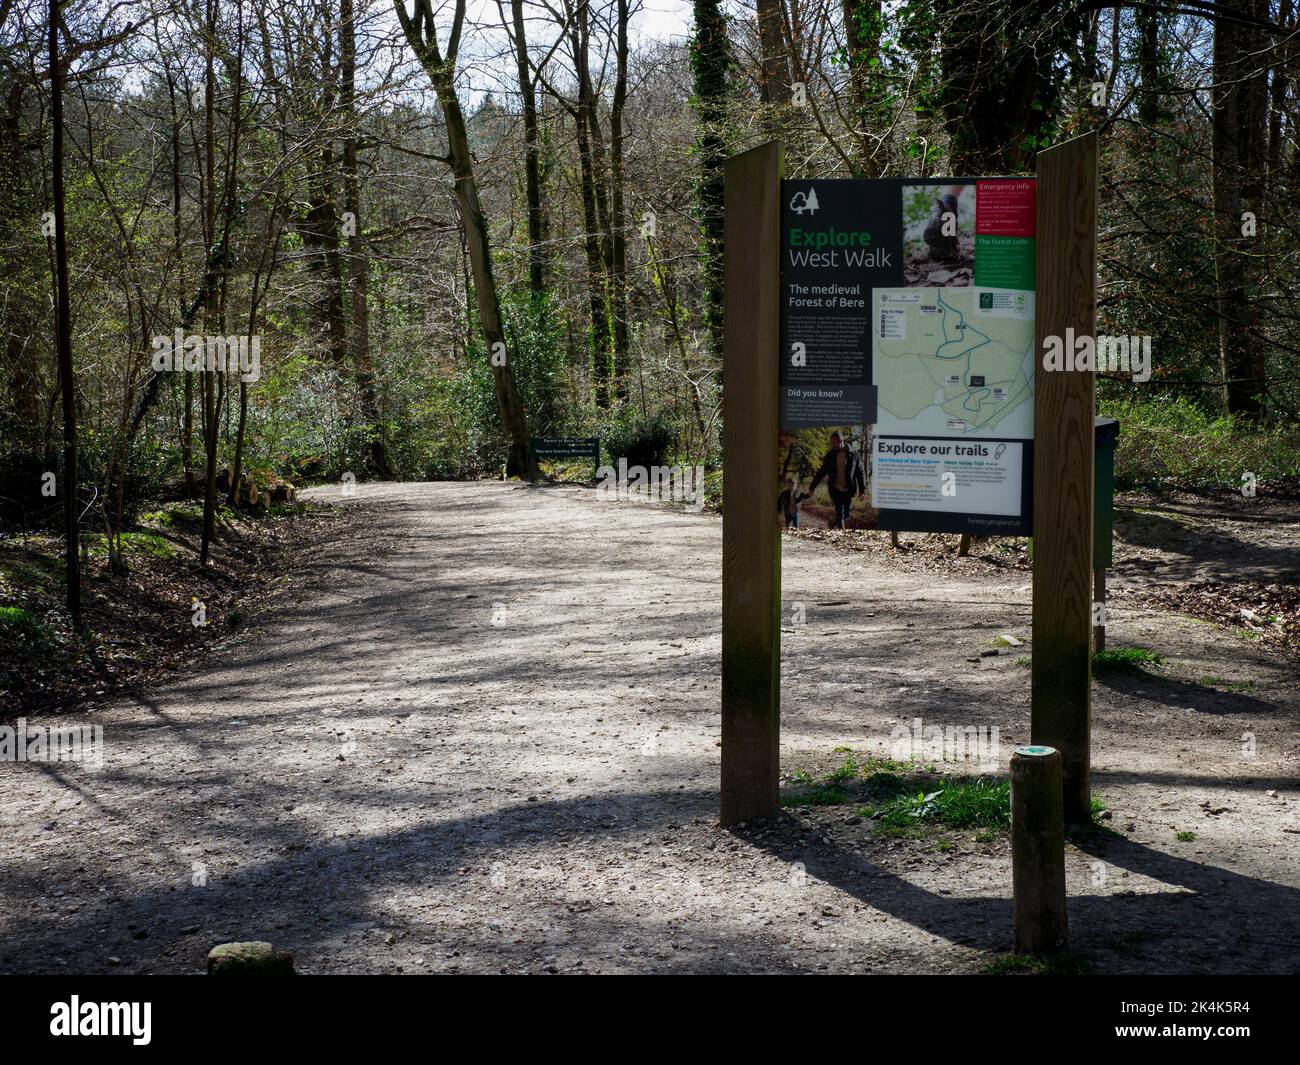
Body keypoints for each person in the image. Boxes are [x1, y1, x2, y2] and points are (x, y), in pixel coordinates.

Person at [808, 431, 865, 529]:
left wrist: (862, 490)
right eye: (832, 443)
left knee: (846, 513)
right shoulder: (830, 456)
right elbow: (821, 472)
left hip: (848, 489)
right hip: (835, 489)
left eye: (834, 443)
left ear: (841, 441)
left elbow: (860, 472)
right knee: (840, 513)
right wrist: (812, 487)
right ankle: (841, 536)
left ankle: (833, 522)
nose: (833, 445)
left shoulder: (853, 454)